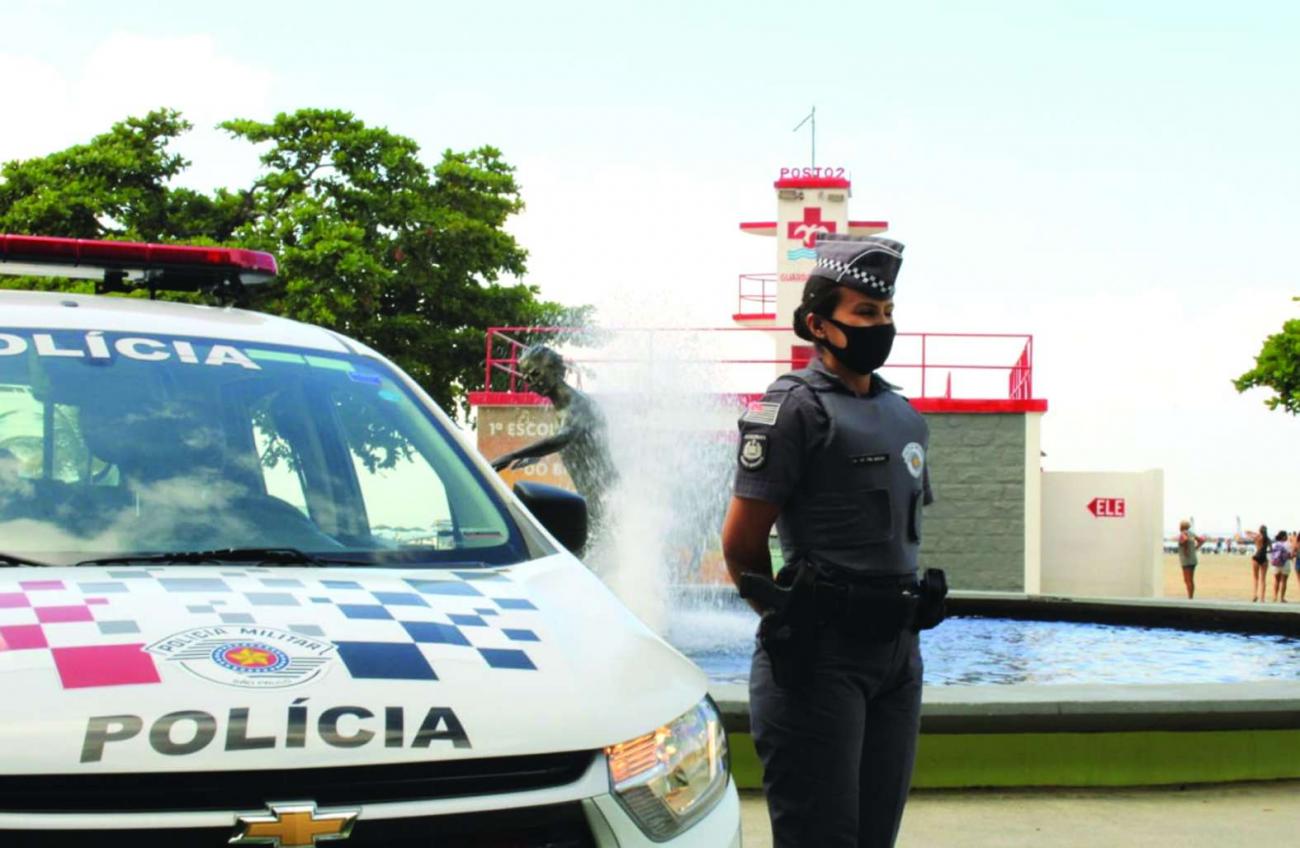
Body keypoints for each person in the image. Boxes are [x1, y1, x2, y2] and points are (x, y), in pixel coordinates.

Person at [720, 235, 944, 848]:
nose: (881, 325)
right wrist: (789, 617)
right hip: (820, 659)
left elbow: (896, 536)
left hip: (898, 657)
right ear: (818, 324)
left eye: (887, 313)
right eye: (865, 313)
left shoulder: (905, 415)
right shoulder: (792, 408)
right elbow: (741, 547)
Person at [490, 344, 618, 537]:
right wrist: (538, 455)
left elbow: (564, 437)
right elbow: (573, 440)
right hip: (595, 501)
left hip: (607, 500)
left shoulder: (576, 403)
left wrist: (513, 455)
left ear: (554, 370)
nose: (530, 382)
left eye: (535, 374)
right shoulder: (563, 406)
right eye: (526, 378)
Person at [1177, 519, 1206, 599]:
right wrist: (1195, 548)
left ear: (1181, 527)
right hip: (1193, 559)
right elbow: (1202, 540)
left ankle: (1190, 597)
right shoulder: (1192, 533)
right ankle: (1190, 596)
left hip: (1186, 560)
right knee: (1190, 580)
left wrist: (1186, 549)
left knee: (1187, 580)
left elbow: (1185, 539)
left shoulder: (1182, 534)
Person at [1268, 530, 1291, 603]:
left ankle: (1275, 597)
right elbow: (1289, 555)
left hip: (1276, 564)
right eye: (1286, 535)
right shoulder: (1288, 544)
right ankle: (1282, 598)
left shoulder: (1274, 544)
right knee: (1284, 581)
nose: (1287, 537)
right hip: (1285, 564)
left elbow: (1270, 554)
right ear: (1284, 537)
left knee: (1276, 580)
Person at [1251, 525, 1270, 602]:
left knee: (1256, 578)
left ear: (1259, 531)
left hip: (1256, 556)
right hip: (1264, 558)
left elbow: (1247, 533)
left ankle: (1255, 595)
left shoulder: (1257, 538)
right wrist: (1265, 551)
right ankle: (1262, 598)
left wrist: (1255, 533)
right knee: (1263, 579)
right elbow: (1271, 550)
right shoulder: (1268, 539)